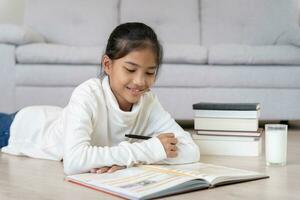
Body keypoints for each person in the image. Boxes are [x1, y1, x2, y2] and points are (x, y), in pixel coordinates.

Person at [1, 22, 200, 175]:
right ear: (107, 65)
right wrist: (147, 150)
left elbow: (191, 150)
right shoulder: (87, 93)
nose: (140, 81)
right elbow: (75, 161)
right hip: (19, 128)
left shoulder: (148, 101)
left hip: (57, 117)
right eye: (130, 69)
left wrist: (125, 159)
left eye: (150, 72)